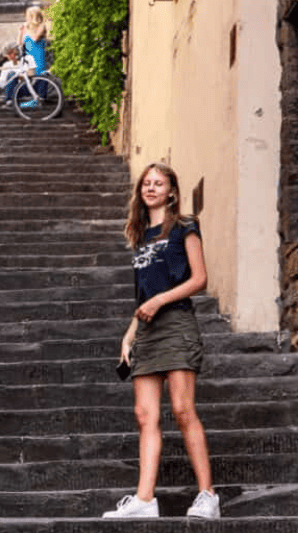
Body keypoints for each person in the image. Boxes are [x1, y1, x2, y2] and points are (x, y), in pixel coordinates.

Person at [102, 163, 220, 519]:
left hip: (177, 324)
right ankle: (144, 499)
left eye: (159, 183)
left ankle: (207, 496)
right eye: (146, 183)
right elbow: (144, 296)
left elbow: (199, 279)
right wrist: (129, 334)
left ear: (171, 191)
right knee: (144, 414)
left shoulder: (185, 227)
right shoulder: (139, 236)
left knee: (183, 410)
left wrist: (159, 301)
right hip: (148, 331)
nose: (151, 188)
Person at [17, 5, 48, 104]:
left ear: (33, 16)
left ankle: (39, 99)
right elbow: (20, 43)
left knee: (39, 77)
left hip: (38, 57)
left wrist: (27, 28)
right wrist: (21, 32)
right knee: (30, 80)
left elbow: (35, 38)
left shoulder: (41, 26)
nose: (26, 18)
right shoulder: (28, 28)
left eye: (28, 16)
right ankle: (34, 99)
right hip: (29, 58)